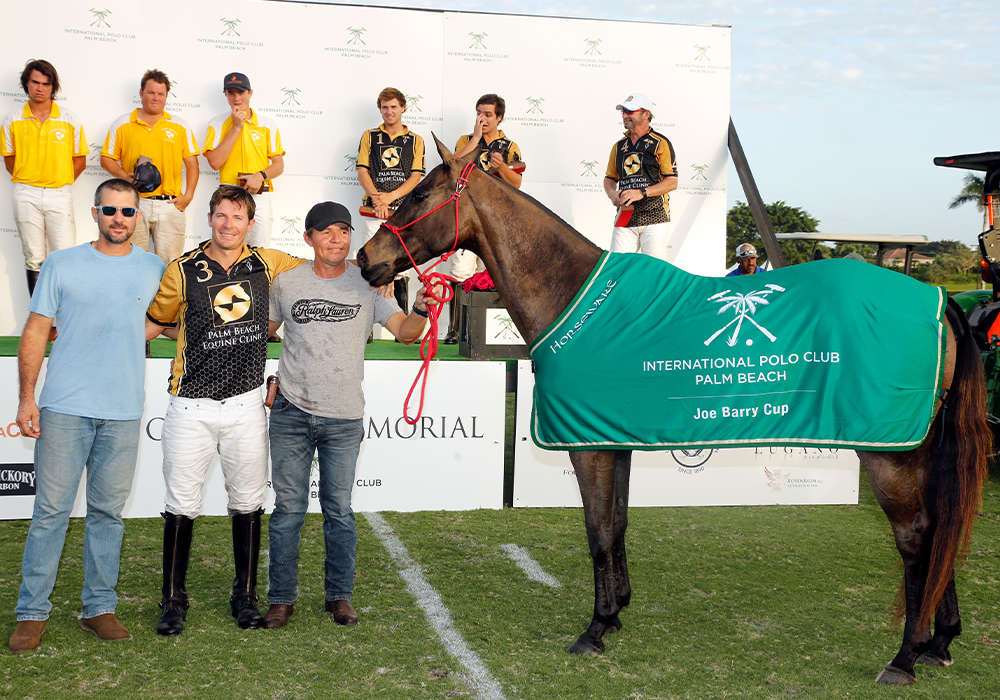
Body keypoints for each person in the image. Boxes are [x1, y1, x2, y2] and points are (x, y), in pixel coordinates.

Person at [8, 179, 164, 653]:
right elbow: (36, 331)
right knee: (50, 513)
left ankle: (99, 607)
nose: (119, 219)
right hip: (64, 408)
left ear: (139, 218)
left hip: (122, 410)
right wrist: (27, 398)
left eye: (128, 212)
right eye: (111, 210)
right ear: (95, 213)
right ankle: (31, 613)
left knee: (107, 515)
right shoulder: (61, 263)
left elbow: (161, 320)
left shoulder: (156, 268)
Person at [261, 201, 432, 630]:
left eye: (343, 231)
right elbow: (262, 331)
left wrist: (425, 307)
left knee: (339, 510)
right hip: (291, 412)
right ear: (308, 239)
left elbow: (407, 334)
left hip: (343, 417)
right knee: (288, 511)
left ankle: (339, 596)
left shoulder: (370, 284)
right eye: (326, 232)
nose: (336, 239)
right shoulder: (285, 283)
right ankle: (281, 599)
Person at [144, 185, 304, 636]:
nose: (227, 224)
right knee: (180, 504)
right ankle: (173, 600)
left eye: (236, 217)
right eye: (220, 215)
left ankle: (245, 596)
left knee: (248, 502)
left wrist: (374, 276)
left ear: (250, 223)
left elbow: (321, 271)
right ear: (209, 218)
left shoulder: (269, 263)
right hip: (190, 404)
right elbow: (154, 322)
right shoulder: (181, 269)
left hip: (246, 403)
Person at [1, 59, 87, 300]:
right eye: (35, 82)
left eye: (46, 84)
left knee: (64, 255)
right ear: (26, 84)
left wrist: (58, 179)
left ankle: (65, 319)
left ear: (53, 87)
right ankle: (42, 322)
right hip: (25, 192)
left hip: (59, 193)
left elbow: (79, 159)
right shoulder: (12, 119)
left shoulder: (69, 119)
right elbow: (10, 160)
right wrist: (29, 178)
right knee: (34, 256)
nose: (40, 88)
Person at [444, 93, 524, 343]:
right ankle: (455, 331)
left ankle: (484, 334)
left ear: (499, 117)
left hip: (497, 221)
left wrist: (501, 168)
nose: (482, 118)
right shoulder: (465, 140)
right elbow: (452, 164)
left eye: (488, 114)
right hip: (467, 219)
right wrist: (477, 139)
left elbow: (517, 183)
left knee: (491, 274)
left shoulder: (509, 146)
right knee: (460, 272)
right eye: (479, 113)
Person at [101, 69, 199, 264]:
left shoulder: (179, 126)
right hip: (135, 205)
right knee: (132, 261)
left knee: (170, 265)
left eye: (160, 94)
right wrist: (125, 176)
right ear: (141, 93)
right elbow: (106, 159)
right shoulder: (122, 124)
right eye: (151, 92)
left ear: (166, 96)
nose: (155, 98)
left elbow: (192, 163)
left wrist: (187, 196)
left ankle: (167, 297)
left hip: (170, 205)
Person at [356, 87, 425, 319]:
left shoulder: (415, 140)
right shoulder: (370, 136)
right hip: (373, 209)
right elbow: (362, 170)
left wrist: (390, 197)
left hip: (403, 211)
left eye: (394, 106)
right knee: (371, 264)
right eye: (385, 107)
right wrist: (377, 197)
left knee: (401, 264)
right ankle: (365, 322)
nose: (389, 111)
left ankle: (401, 322)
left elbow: (416, 177)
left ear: (403, 107)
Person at [203, 72, 284, 247]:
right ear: (225, 94)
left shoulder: (267, 124)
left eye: (241, 92)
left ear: (250, 93)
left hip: (259, 194)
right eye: (231, 92)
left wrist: (260, 176)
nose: (236, 97)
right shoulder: (216, 124)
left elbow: (279, 165)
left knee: (259, 250)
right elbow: (215, 162)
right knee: (227, 248)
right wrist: (236, 127)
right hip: (228, 195)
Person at [603, 93, 678, 261]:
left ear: (646, 114)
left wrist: (641, 192)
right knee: (617, 268)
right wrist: (612, 194)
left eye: (630, 111)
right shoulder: (619, 146)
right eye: (623, 111)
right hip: (625, 216)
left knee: (655, 270)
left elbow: (672, 182)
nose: (625, 115)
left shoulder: (660, 143)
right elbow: (609, 179)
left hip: (655, 216)